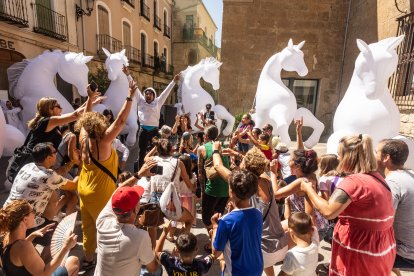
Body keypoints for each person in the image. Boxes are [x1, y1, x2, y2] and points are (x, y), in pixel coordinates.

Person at [299, 134, 396, 275]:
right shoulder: (378, 178)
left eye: (340, 154)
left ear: (349, 156)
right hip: (379, 249)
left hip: (359, 252)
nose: (338, 158)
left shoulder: (354, 182)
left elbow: (328, 211)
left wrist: (309, 189)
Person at [75, 78, 138, 269]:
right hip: (101, 193)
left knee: (88, 226)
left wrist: (89, 99)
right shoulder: (104, 143)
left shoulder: (83, 139)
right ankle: (109, 259)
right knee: (108, 227)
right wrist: (129, 97)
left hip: (83, 190)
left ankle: (88, 258)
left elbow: (85, 121)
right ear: (101, 126)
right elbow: (120, 121)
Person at [212, 145, 288, 276]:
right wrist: (237, 154)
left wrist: (215, 149)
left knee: (224, 254)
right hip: (280, 245)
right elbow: (256, 165)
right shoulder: (267, 180)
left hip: (264, 250)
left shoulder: (241, 184)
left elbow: (218, 166)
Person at [5, 95, 98, 183]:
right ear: (50, 109)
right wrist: (90, 99)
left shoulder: (48, 122)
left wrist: (91, 102)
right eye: (58, 106)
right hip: (34, 165)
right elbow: (76, 115)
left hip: (40, 165)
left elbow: (75, 112)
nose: (61, 108)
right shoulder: (47, 121)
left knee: (64, 196)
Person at [4, 142, 78, 252]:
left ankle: (32, 246)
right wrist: (83, 170)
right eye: (54, 152)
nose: (56, 153)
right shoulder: (48, 176)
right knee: (57, 237)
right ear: (48, 158)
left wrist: (72, 162)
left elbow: (56, 174)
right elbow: (73, 185)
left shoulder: (28, 166)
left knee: (51, 193)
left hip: (9, 212)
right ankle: (43, 266)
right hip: (25, 222)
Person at [94, 159, 159, 275]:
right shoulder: (141, 236)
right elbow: (152, 267)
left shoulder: (102, 221)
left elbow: (117, 193)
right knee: (158, 270)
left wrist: (139, 175)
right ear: (135, 209)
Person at [0, 199, 79, 276]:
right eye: (33, 211)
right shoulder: (23, 246)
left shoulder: (7, 237)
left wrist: (32, 236)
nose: (36, 214)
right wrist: (66, 247)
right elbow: (44, 274)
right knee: (73, 261)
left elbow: (17, 253)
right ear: (25, 219)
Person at [124, 65, 180, 170]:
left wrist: (173, 81)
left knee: (157, 150)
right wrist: (127, 74)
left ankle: (155, 169)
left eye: (150, 94)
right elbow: (135, 89)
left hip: (154, 131)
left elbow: (166, 92)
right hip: (143, 130)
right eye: (146, 93)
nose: (148, 95)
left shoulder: (158, 102)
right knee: (141, 151)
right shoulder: (141, 101)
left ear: (154, 95)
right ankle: (141, 170)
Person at [211, 170, 263, 276]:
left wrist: (215, 226)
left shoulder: (225, 221)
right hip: (256, 269)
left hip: (237, 272)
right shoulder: (258, 214)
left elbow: (215, 252)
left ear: (231, 192)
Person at [375, 139, 414, 276]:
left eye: (376, 152)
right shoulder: (410, 175)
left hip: (405, 253)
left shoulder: (392, 183)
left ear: (386, 158)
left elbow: (383, 223)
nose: (373, 155)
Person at [197, 125, 229, 252]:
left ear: (205, 135)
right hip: (225, 189)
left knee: (206, 218)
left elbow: (200, 172)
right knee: (218, 215)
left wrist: (201, 189)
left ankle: (214, 240)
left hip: (212, 189)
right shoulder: (223, 146)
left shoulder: (202, 148)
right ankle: (217, 239)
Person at [279, 212, 319, 276]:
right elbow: (314, 229)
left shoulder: (292, 255)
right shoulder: (315, 243)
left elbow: (283, 274)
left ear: (291, 232)